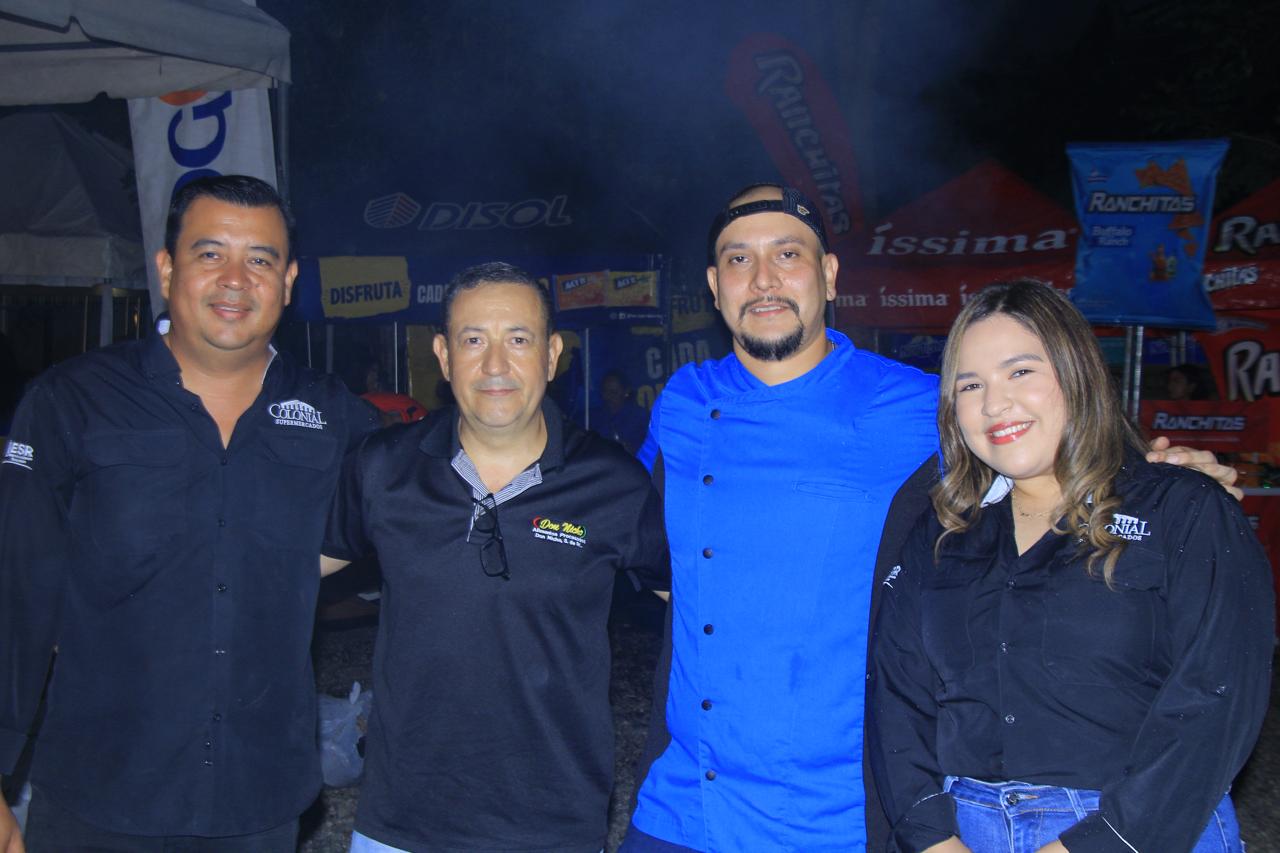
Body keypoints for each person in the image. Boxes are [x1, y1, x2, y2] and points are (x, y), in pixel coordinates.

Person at [622, 184, 1243, 853]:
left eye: (788, 254)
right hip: (686, 800)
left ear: (829, 275)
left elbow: (1051, 452)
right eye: (739, 259)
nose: (764, 278)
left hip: (839, 807)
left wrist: (1160, 474)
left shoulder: (921, 405)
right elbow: (631, 532)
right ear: (714, 287)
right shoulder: (683, 401)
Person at [0, 175, 379, 851]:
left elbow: (422, 502)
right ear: (168, 268)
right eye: (210, 254)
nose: (236, 279)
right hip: (98, 794)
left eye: (260, 259)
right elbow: (14, 594)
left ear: (288, 281)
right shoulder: (72, 401)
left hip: (258, 800)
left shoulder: (333, 414)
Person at [869, 280, 1273, 853]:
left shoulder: (1182, 508)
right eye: (970, 384)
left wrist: (1098, 842)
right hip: (964, 831)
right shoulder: (939, 531)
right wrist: (933, 839)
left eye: (1020, 371)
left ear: (1077, 371)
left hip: (1138, 830)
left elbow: (1216, 698)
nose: (994, 403)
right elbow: (897, 696)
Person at [320, 262, 669, 852]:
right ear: (444, 355)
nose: (495, 365)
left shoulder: (613, 484)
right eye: (474, 340)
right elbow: (278, 575)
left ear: (552, 355)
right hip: (399, 825)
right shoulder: (382, 467)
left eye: (519, 339)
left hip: (553, 827)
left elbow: (703, 613)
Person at [593, 368, 650, 454]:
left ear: (626, 392)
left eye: (614, 392)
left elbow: (650, 447)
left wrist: (631, 449)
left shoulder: (640, 416)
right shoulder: (595, 416)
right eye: (605, 391)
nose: (608, 396)